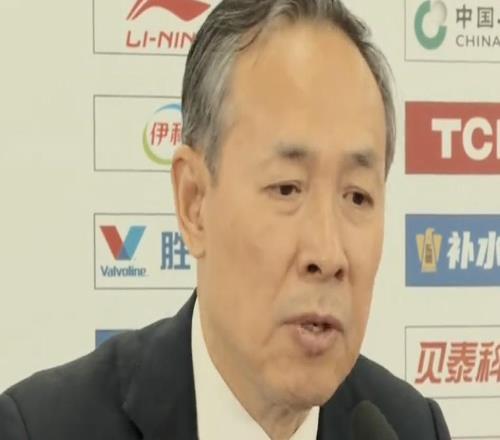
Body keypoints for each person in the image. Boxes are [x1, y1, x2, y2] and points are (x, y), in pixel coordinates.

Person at [0, 0, 451, 439]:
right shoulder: (44, 427)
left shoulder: (411, 427)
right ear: (194, 202)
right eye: (287, 188)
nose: (328, 254)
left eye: (357, 196)